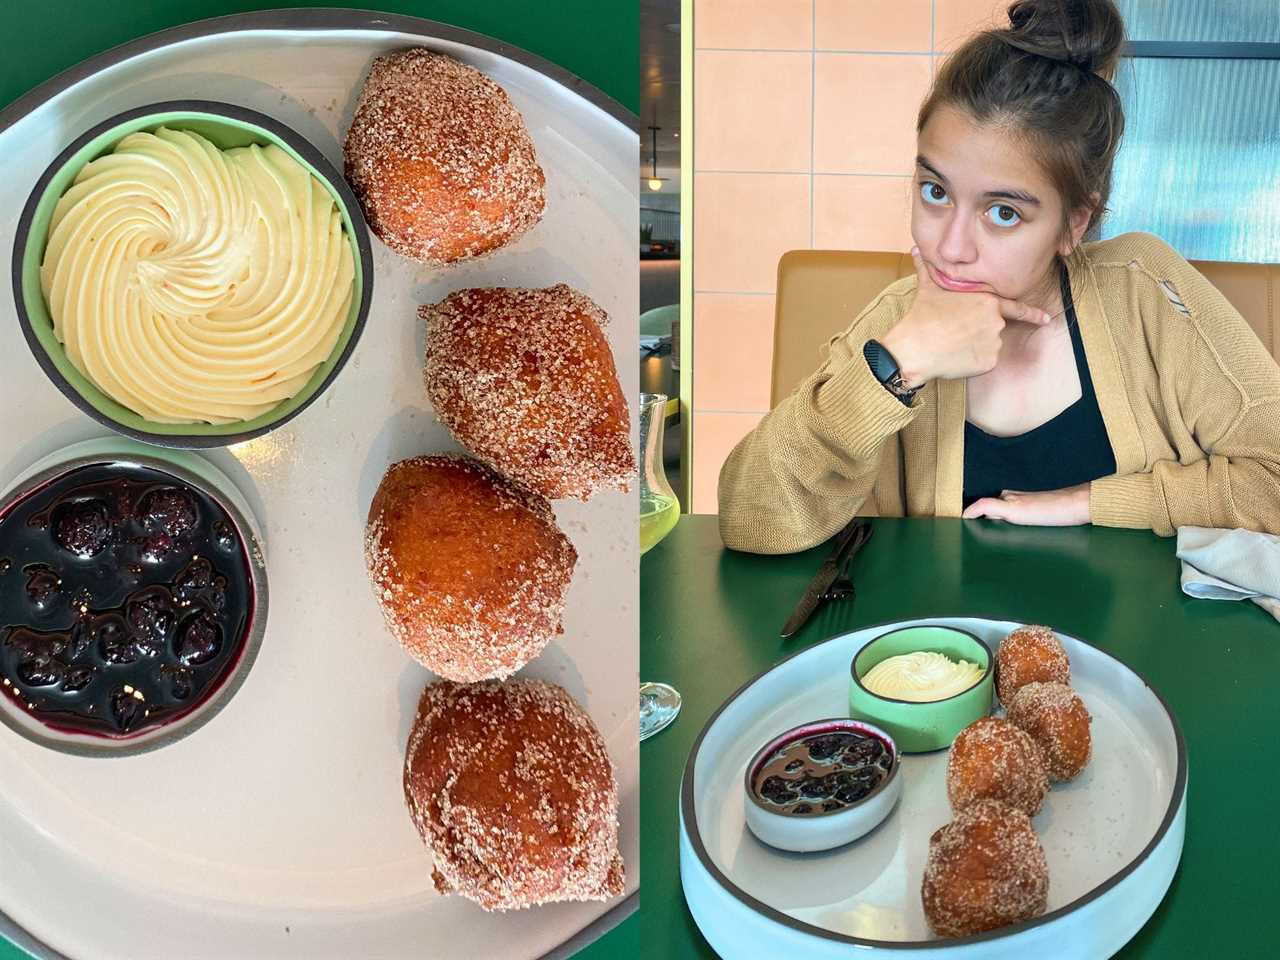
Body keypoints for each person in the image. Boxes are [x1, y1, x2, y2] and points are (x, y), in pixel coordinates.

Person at [718, 0, 1280, 554]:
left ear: (1074, 222)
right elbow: (752, 521)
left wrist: (1089, 501)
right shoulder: (898, 322)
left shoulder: (1143, 289)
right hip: (948, 641)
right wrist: (899, 365)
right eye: (935, 192)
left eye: (1003, 212)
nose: (949, 247)